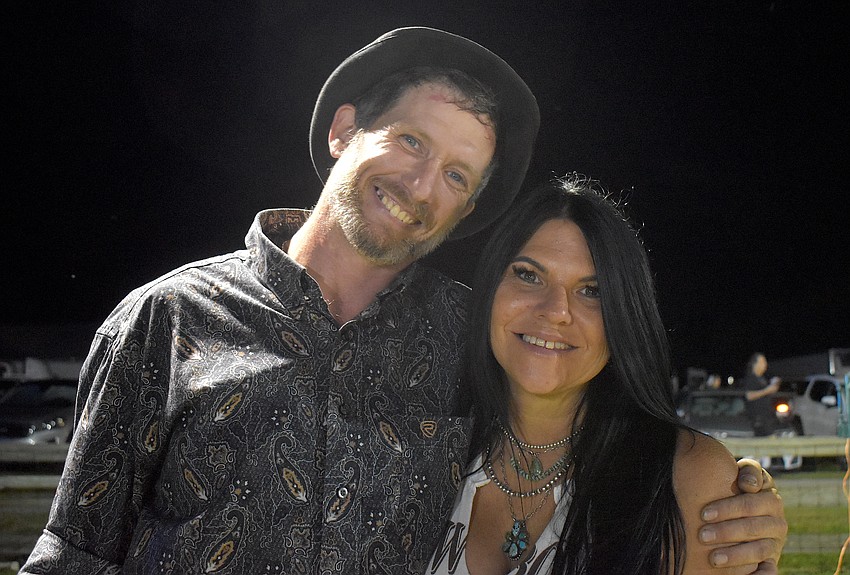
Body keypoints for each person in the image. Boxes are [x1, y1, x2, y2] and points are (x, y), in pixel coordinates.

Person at [22, 28, 783, 574]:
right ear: (344, 129)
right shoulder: (166, 320)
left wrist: (735, 498)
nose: (424, 186)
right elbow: (71, 552)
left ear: (467, 209)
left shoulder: (472, 336)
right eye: (412, 141)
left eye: (458, 174)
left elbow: (584, 431)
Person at [428, 175, 784, 574]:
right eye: (528, 274)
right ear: (490, 288)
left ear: (622, 320)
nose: (556, 310)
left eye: (591, 291)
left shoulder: (687, 480)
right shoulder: (429, 451)